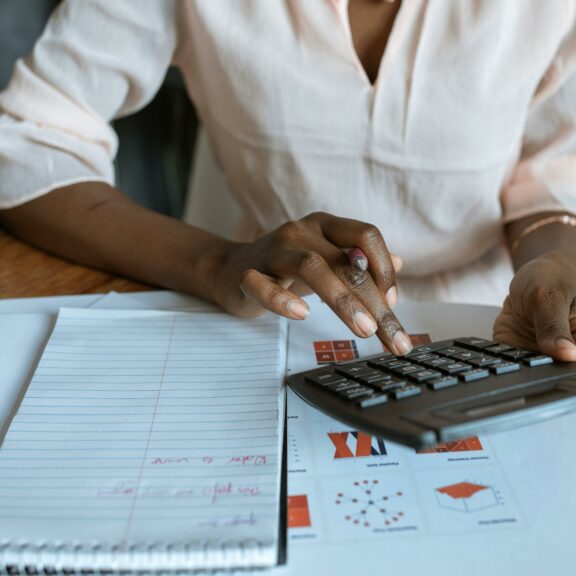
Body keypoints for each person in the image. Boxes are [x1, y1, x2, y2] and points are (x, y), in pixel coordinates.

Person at [0, 0, 575, 360]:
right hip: (267, 319)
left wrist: (555, 262)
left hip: (496, 325)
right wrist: (215, 263)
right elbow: (27, 141)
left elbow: (553, 175)